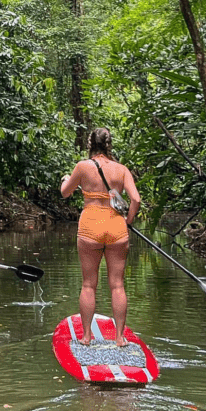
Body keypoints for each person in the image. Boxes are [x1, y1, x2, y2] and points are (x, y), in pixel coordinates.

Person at [60, 127, 140, 347]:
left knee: (88, 285)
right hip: (116, 228)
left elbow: (65, 192)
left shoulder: (82, 167)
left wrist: (66, 179)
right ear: (109, 144)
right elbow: (136, 199)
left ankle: (86, 337)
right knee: (117, 285)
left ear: (89, 144)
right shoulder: (121, 169)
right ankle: (120, 338)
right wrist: (128, 221)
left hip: (90, 228)